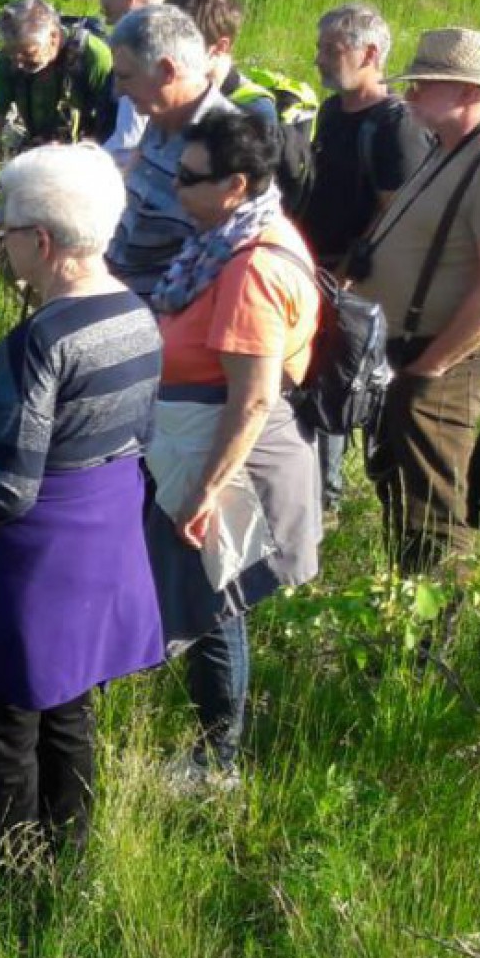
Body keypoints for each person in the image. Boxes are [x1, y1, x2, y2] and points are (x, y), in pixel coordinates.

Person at [0, 143, 164, 866]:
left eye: (7, 231)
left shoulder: (44, 340)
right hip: (102, 541)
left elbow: (0, 494)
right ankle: (66, 856)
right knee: (69, 703)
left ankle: (8, 875)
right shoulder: (138, 311)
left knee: (5, 714)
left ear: (41, 240)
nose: (3, 247)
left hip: (31, 560)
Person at [141, 109, 321, 790]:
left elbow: (251, 396)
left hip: (227, 459)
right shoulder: (230, 237)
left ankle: (219, 760)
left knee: (216, 604)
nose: (176, 188)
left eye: (190, 179)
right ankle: (211, 746)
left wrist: (207, 490)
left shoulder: (251, 269)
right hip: (197, 443)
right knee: (209, 598)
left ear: (236, 184)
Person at [355, 29, 480, 577]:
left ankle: (429, 647)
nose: (410, 94)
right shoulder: (447, 149)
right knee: (399, 490)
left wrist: (429, 369)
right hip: (410, 351)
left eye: (423, 84)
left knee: (432, 508)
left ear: (466, 91)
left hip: (448, 355)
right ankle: (404, 618)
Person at [304, 2, 435, 506]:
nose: (317, 58)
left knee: (348, 385)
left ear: (371, 53)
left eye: (330, 49)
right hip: (319, 271)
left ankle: (338, 501)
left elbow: (394, 215)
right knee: (318, 385)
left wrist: (343, 278)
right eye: (319, 47)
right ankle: (317, 500)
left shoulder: (394, 125)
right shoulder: (332, 111)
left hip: (360, 286)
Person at [106, 4, 243, 298]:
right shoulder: (159, 115)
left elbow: (222, 264)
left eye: (125, 76)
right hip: (118, 299)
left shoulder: (227, 142)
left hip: (164, 323)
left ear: (167, 71)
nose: (117, 91)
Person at [0, 0, 117, 245]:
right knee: (1, 250)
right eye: (12, 55)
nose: (18, 63)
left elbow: (116, 127)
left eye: (27, 54)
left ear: (54, 37)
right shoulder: (7, 62)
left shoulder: (93, 56)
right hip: (34, 159)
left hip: (84, 172)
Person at [93, 0, 168, 170]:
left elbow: (127, 140)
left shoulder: (143, 42)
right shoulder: (185, 30)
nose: (107, 22)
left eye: (108, 10)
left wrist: (80, 168)